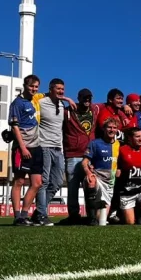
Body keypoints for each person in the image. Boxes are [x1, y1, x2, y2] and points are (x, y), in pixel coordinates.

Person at [30, 78, 72, 227]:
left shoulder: (62, 105)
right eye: (58, 88)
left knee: (58, 182)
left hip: (58, 148)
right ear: (50, 89)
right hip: (43, 146)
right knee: (44, 182)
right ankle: (42, 214)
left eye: (62, 89)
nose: (61, 91)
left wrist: (67, 100)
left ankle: (38, 212)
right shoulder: (41, 102)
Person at [7, 74, 44, 227]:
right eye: (31, 86)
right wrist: (22, 148)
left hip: (36, 147)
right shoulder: (17, 103)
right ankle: (17, 217)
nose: (34, 89)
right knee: (19, 181)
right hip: (23, 148)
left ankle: (24, 214)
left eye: (36, 87)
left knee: (37, 183)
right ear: (24, 86)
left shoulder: (32, 101)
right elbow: (14, 127)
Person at [60, 88, 94, 223]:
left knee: (90, 185)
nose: (87, 100)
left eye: (89, 98)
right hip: (73, 154)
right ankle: (74, 215)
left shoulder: (95, 110)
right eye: (84, 98)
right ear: (78, 98)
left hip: (89, 155)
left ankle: (91, 215)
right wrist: (66, 99)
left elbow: (111, 106)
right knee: (73, 187)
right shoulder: (67, 111)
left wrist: (125, 107)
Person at [81, 117, 120, 226]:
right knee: (90, 181)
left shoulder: (118, 145)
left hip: (110, 182)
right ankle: (91, 219)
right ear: (104, 129)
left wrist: (119, 169)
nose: (112, 130)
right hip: (97, 177)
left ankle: (96, 215)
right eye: (109, 127)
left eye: (114, 128)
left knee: (102, 219)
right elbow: (84, 162)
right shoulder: (95, 143)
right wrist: (89, 173)